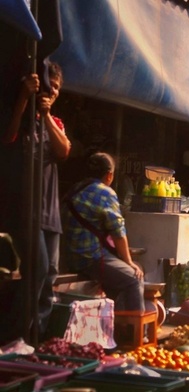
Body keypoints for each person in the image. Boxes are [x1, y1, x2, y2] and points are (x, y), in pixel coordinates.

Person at [3, 62, 71, 336]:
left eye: (56, 87)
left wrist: (46, 115)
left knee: (49, 276)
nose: (51, 90)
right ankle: (15, 336)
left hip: (50, 214)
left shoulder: (54, 122)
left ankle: (37, 338)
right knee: (38, 270)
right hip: (25, 211)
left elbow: (64, 150)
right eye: (48, 85)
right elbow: (7, 136)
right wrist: (23, 99)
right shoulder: (22, 115)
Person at [65, 152, 144, 312]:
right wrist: (128, 261)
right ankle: (134, 334)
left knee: (123, 275)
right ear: (109, 175)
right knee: (134, 278)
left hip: (71, 258)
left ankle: (115, 325)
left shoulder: (75, 189)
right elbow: (118, 232)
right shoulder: (105, 193)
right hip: (91, 259)